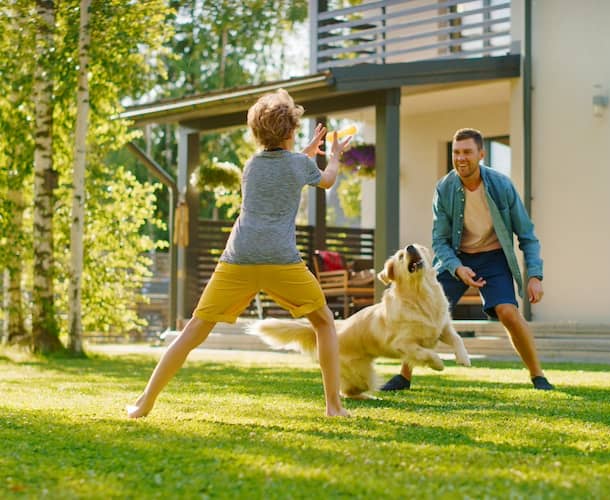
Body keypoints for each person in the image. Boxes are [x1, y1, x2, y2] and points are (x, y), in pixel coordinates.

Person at [127, 89, 352, 418]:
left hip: (239, 258)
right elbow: (325, 180)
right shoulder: (301, 164)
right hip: (281, 260)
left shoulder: (251, 166)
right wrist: (333, 155)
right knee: (324, 322)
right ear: (290, 131)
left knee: (194, 329)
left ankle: (144, 403)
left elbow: (285, 168)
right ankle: (334, 407)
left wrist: (306, 152)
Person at [381, 128, 554, 392]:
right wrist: (457, 268)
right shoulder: (445, 188)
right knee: (425, 310)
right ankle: (404, 376)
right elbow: (439, 241)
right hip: (456, 258)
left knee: (508, 313)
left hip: (494, 257)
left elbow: (527, 235)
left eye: (467, 152)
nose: (461, 158)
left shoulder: (501, 185)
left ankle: (538, 376)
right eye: (456, 152)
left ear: (481, 154)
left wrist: (535, 276)